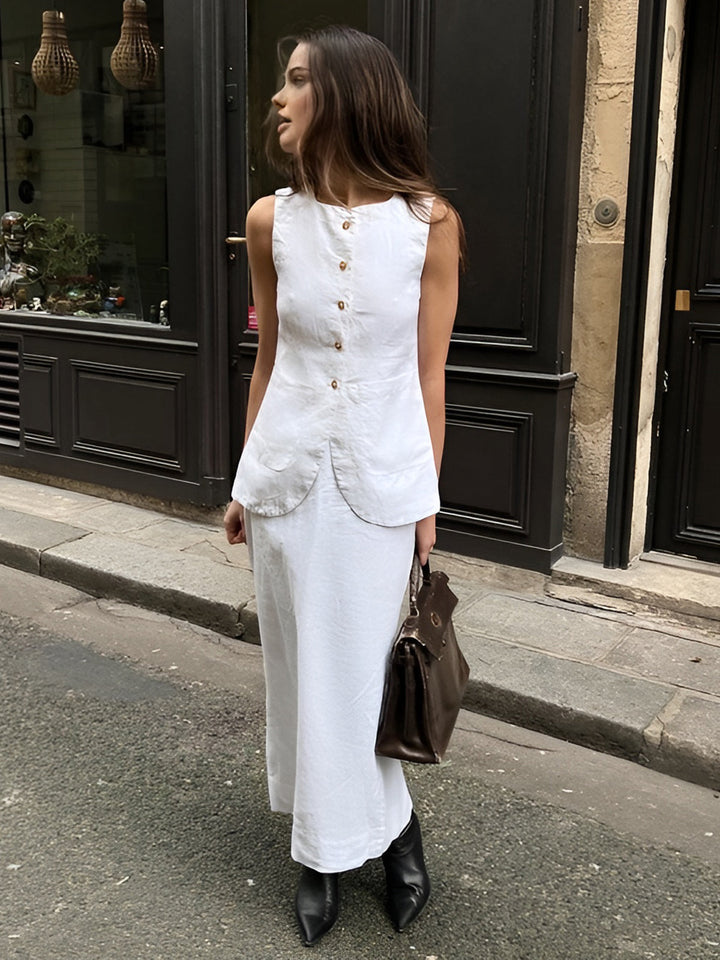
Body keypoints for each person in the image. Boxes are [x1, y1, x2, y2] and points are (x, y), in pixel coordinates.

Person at [223, 24, 461, 947]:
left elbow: (429, 375)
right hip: (286, 478)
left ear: (348, 95)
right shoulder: (268, 221)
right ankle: (331, 853)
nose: (278, 100)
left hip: (380, 481)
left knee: (357, 676)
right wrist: (245, 478)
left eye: (294, 82)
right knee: (300, 670)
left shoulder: (428, 226)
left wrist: (426, 498)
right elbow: (269, 358)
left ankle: (385, 836)